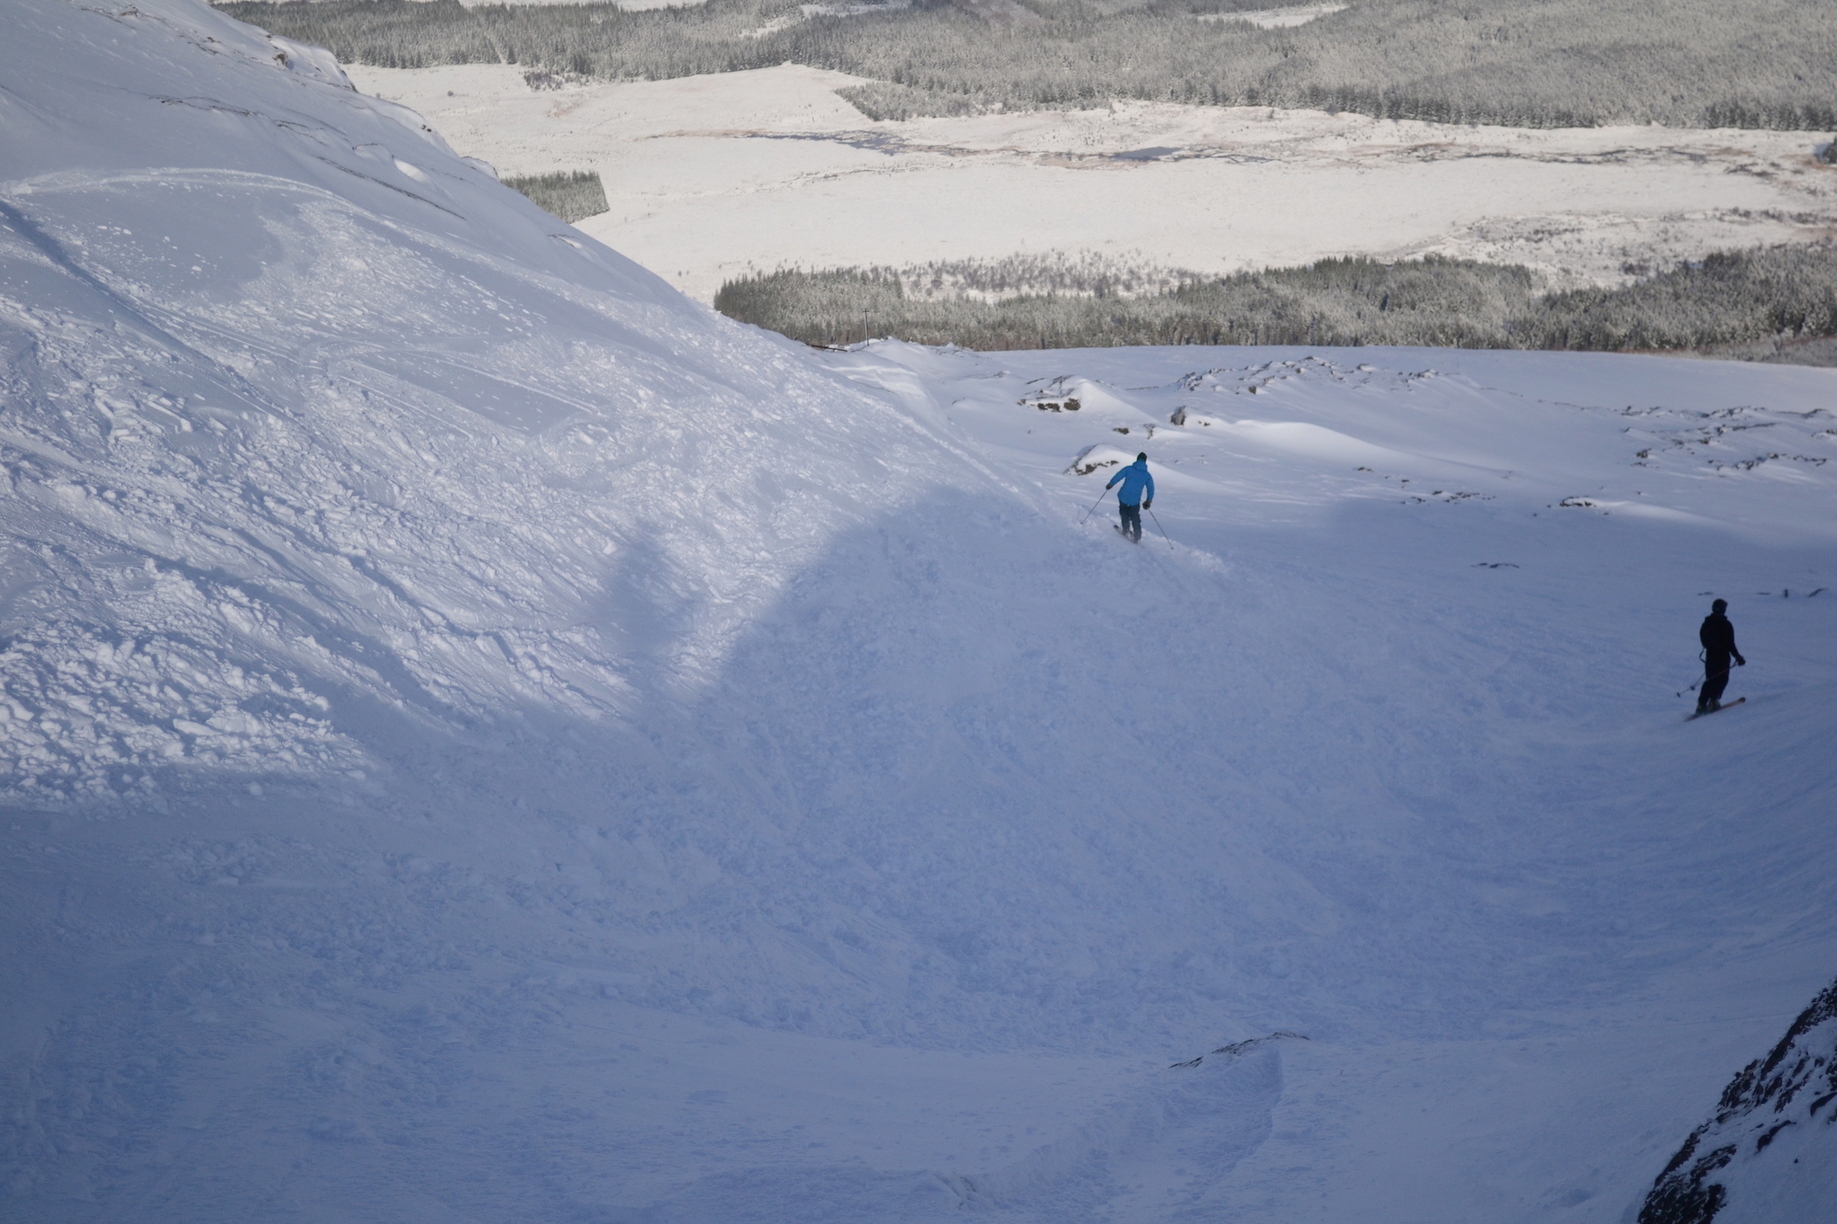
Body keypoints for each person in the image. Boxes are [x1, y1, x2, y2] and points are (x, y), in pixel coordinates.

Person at [1697, 598, 1746, 713]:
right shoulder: (1726, 624)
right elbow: (1730, 644)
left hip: (1710, 655)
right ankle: (1714, 701)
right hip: (1723, 656)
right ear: (1723, 609)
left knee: (1710, 679)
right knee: (1722, 679)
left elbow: (1703, 640)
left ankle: (1701, 704)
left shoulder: (1706, 623)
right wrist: (1738, 657)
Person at [1106, 452, 1154, 543]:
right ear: (1145, 461)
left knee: (1124, 512)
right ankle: (1137, 536)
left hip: (1123, 496)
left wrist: (1110, 484)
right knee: (1135, 517)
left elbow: (1118, 476)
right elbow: (1151, 489)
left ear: (1137, 459)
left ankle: (1126, 529)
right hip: (1135, 500)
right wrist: (1148, 501)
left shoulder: (1129, 469)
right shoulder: (1147, 475)